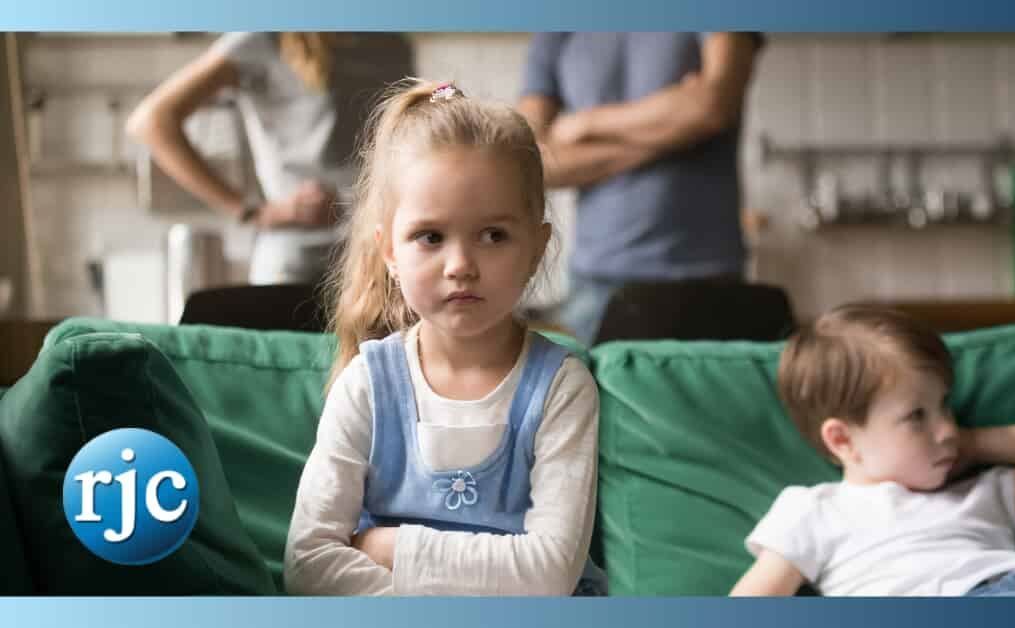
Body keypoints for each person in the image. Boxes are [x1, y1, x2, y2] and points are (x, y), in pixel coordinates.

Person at [282, 79, 604, 596]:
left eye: (493, 235)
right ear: (388, 250)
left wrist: (391, 547)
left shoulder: (562, 389)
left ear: (537, 248)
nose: (461, 266)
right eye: (430, 237)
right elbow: (309, 564)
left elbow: (548, 574)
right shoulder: (366, 383)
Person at [730, 304, 1015, 597]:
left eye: (946, 407)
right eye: (917, 416)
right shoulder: (814, 510)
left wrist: (975, 444)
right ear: (842, 439)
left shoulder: (983, 494)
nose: (947, 429)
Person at [517, 32, 763, 345]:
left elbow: (714, 104)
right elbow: (528, 160)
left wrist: (587, 123)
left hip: (706, 277)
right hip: (595, 285)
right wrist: (677, 130)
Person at [126, 32, 412, 285]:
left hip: (377, 256)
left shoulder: (390, 41)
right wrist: (253, 211)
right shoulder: (262, 40)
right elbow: (151, 121)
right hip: (299, 261)